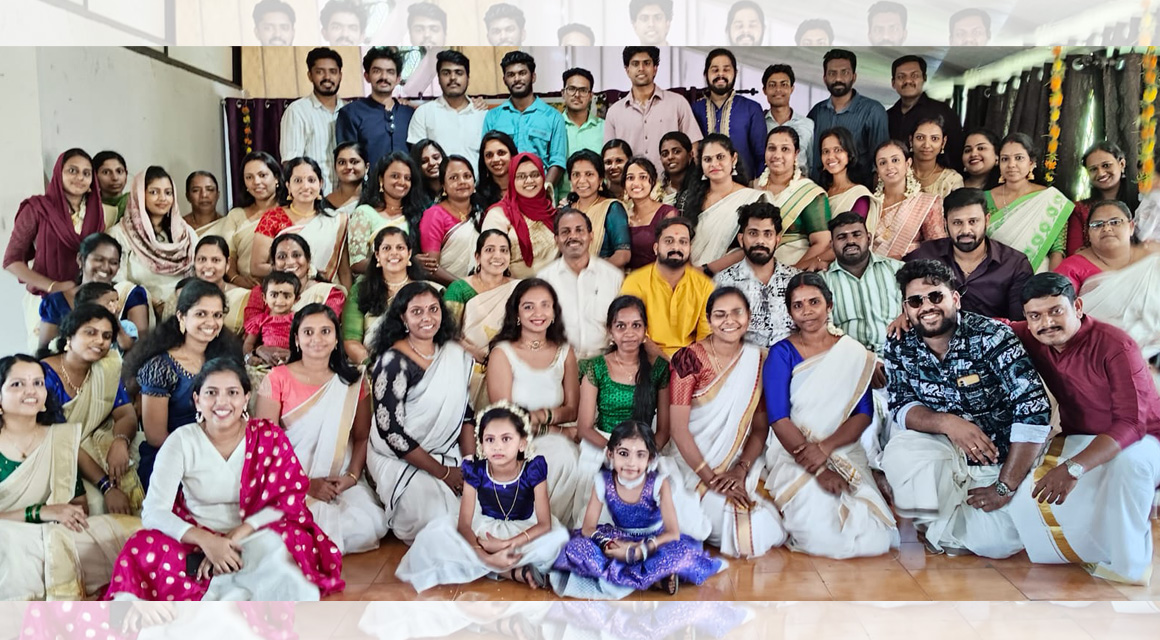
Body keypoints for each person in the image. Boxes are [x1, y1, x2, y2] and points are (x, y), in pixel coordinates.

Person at [105, 357, 344, 601]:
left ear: (246, 398)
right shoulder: (181, 441)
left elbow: (287, 501)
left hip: (253, 536)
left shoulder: (268, 436)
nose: (222, 402)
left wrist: (230, 540)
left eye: (232, 393)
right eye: (211, 393)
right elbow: (154, 512)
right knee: (141, 545)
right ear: (197, 400)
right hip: (194, 539)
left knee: (283, 543)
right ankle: (235, 584)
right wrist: (207, 542)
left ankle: (232, 580)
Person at [880, 260, 1051, 558]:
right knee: (900, 452)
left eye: (936, 296)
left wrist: (1005, 486)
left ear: (955, 299)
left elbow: (1033, 410)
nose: (927, 307)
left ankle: (951, 525)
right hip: (945, 449)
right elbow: (900, 404)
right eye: (916, 301)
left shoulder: (991, 336)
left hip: (997, 457)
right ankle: (939, 521)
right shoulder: (899, 344)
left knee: (998, 544)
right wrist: (948, 423)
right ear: (905, 308)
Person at [1004, 273, 1160, 585]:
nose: (1047, 323)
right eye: (1036, 316)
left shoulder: (1116, 345)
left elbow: (1131, 423)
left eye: (1055, 311)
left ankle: (1130, 566)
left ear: (1077, 307)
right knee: (1027, 499)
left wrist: (1074, 468)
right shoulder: (1031, 336)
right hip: (1079, 435)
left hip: (1144, 439)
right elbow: (987, 325)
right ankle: (1082, 553)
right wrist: (907, 317)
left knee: (1129, 467)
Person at [763, 274, 898, 558]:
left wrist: (825, 448)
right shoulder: (781, 353)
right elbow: (778, 418)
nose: (807, 311)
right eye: (798, 305)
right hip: (794, 451)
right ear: (790, 312)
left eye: (814, 302)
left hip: (842, 448)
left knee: (876, 537)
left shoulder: (852, 352)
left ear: (829, 305)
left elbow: (863, 414)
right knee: (822, 534)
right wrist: (819, 470)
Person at [0, 354, 139, 601]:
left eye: (38, 383)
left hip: (54, 535)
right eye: (17, 384)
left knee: (139, 534)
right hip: (8, 541)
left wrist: (66, 514)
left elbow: (77, 505)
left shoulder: (60, 439)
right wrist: (41, 512)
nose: (30, 390)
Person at [254, 304, 388, 555]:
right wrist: (305, 484)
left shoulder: (353, 381)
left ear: (337, 338)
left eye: (325, 331)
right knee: (284, 531)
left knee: (368, 526)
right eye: (308, 332)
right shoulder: (278, 378)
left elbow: (362, 437)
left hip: (338, 479)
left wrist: (350, 478)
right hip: (289, 480)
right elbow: (266, 446)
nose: (317, 339)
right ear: (296, 339)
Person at [395, 403, 570, 591]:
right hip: (484, 531)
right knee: (432, 539)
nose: (497, 447)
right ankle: (503, 568)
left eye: (506, 439)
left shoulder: (533, 469)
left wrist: (506, 544)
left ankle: (498, 566)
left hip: (523, 532)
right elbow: (464, 524)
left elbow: (544, 524)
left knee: (558, 541)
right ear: (481, 444)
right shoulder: (475, 471)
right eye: (490, 440)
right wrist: (484, 555)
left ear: (522, 443)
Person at [668, 287, 788, 557]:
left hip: (738, 462)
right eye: (720, 314)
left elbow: (760, 426)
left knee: (778, 513)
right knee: (745, 527)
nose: (729, 320)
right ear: (709, 319)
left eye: (737, 313)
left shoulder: (760, 360)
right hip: (692, 466)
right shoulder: (688, 359)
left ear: (748, 317)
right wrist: (711, 479)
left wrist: (740, 471)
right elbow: (678, 429)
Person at [552, 419, 724, 599]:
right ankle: (653, 578)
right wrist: (608, 544)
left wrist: (638, 551)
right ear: (610, 454)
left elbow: (673, 533)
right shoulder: (602, 481)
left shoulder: (659, 483)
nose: (631, 463)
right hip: (618, 537)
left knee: (681, 553)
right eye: (623, 453)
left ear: (650, 458)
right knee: (576, 548)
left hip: (654, 541)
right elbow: (588, 527)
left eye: (640, 455)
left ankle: (632, 574)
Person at [364, 282, 476, 545]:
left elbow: (465, 415)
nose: (427, 317)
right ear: (403, 317)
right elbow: (392, 432)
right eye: (417, 311)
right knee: (434, 517)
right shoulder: (392, 362)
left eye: (433, 309)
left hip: (446, 451)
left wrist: (470, 465)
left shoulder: (453, 354)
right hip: (397, 457)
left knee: (481, 507)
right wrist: (444, 473)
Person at [126, 280, 243, 492]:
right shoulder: (160, 366)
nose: (211, 322)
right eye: (201, 314)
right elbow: (156, 436)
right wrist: (205, 459)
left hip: (223, 452)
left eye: (217, 315)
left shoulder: (225, 359)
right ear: (181, 317)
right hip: (173, 457)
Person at [487, 279, 582, 525]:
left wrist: (541, 416)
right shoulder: (503, 353)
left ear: (554, 312)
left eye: (544, 305)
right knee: (559, 455)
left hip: (559, 440)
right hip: (513, 444)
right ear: (516, 313)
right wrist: (559, 431)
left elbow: (572, 409)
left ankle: (556, 530)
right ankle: (533, 529)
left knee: (581, 459)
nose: (538, 313)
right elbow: (504, 420)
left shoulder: (565, 351)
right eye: (528, 306)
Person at [39, 305, 142, 515]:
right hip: (53, 452)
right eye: (90, 333)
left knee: (139, 453)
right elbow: (60, 439)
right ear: (69, 336)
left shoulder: (106, 368)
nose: (100, 341)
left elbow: (125, 414)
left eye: (106, 336)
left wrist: (120, 441)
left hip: (90, 440)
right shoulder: (43, 376)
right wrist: (107, 487)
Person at [5, 150, 110, 348]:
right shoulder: (37, 208)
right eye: (72, 170)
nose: (80, 177)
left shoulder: (96, 213)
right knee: (47, 357)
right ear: (58, 174)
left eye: (86, 173)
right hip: (44, 298)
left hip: (84, 298)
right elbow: (11, 261)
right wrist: (53, 286)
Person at [905, 188, 1033, 321]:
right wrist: (902, 314)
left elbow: (1020, 324)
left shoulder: (1014, 265)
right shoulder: (924, 256)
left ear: (987, 220)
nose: (966, 230)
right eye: (957, 223)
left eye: (973, 221)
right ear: (945, 224)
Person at [1058, 201, 1160, 363]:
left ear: (1131, 227)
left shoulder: (1152, 261)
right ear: (1088, 233)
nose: (1106, 228)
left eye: (1115, 222)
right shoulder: (1072, 267)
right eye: (1097, 225)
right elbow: (1059, 315)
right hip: (1097, 356)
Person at [242, 234, 347, 368]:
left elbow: (326, 336)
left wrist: (295, 355)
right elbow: (249, 338)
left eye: (296, 255)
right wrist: (259, 350)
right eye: (282, 257)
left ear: (308, 260)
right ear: (273, 264)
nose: (290, 262)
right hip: (264, 363)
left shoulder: (330, 294)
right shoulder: (260, 292)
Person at [442, 230, 519, 410]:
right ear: (477, 257)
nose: (497, 256)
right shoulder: (459, 288)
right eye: (490, 250)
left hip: (510, 363)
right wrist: (478, 354)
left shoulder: (519, 288)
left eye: (503, 250)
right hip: (467, 362)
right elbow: (447, 332)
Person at [37, 233, 150, 353]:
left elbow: (140, 349)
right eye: (99, 260)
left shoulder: (129, 293)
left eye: (113, 262)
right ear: (81, 259)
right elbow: (45, 351)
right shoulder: (57, 301)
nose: (106, 267)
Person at [108, 166, 198, 317]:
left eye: (168, 193)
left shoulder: (185, 233)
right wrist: (154, 303)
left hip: (185, 309)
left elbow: (200, 270)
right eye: (154, 192)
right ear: (139, 195)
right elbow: (118, 281)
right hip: (142, 311)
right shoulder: (120, 234)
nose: (163, 198)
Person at [251, 157, 351, 291]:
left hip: (327, 292)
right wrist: (294, 269)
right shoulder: (273, 218)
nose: (305, 186)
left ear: (320, 184)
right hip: (285, 293)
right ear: (288, 186)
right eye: (298, 181)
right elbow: (256, 267)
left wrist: (346, 298)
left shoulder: (335, 220)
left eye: (311, 180)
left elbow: (344, 271)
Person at [539, 209, 626, 361]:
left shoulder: (613, 277)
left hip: (605, 363)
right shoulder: (544, 279)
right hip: (559, 363)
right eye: (565, 232)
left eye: (579, 230)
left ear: (591, 236)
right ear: (556, 239)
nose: (573, 236)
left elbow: (623, 325)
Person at [621, 217, 714, 356]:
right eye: (669, 241)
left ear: (689, 249)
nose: (676, 248)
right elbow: (634, 334)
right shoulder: (635, 282)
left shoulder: (704, 285)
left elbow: (705, 338)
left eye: (683, 242)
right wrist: (665, 364)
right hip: (646, 357)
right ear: (656, 248)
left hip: (689, 359)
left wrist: (687, 365)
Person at [713, 202, 800, 348]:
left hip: (793, 360)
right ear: (741, 239)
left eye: (768, 234)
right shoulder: (722, 283)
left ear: (777, 240)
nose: (760, 241)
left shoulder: (796, 281)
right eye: (753, 233)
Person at [679, 133, 768, 273]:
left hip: (735, 275)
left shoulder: (751, 198)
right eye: (707, 159)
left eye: (720, 157)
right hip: (690, 275)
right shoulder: (689, 198)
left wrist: (705, 270)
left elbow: (752, 245)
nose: (714, 164)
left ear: (733, 158)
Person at [605, 46, 703, 173]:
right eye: (635, 64)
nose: (641, 68)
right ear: (627, 70)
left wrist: (692, 180)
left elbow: (693, 147)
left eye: (646, 63)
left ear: (655, 68)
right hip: (632, 183)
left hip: (672, 183)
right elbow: (609, 155)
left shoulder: (677, 103)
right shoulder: (614, 112)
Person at [985, 133, 1073, 271]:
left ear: (1031, 163)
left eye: (1019, 158)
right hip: (991, 273)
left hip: (1036, 274)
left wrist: (1051, 282)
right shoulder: (984, 198)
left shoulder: (1051, 199)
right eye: (1005, 159)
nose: (1011, 164)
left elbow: (1057, 250)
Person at [343, 227, 431, 363]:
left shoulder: (425, 291)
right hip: (372, 365)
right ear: (377, 255)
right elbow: (351, 340)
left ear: (409, 253)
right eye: (386, 248)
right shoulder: (361, 291)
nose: (393, 253)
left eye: (400, 248)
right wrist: (372, 365)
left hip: (420, 365)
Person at [483, 51, 568, 188]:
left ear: (533, 77)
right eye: (511, 75)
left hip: (540, 192)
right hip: (503, 193)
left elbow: (557, 161)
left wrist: (543, 191)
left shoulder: (553, 117)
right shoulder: (493, 117)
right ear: (504, 80)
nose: (517, 79)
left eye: (522, 73)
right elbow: (487, 158)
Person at [753, 127, 833, 270]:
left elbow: (822, 243)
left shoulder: (810, 193)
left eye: (785, 149)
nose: (777, 155)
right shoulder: (752, 187)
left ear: (796, 153)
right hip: (753, 269)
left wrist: (791, 272)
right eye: (771, 148)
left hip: (795, 268)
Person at [822, 212, 902, 356]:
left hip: (898, 357)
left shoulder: (896, 270)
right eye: (842, 237)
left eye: (857, 234)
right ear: (832, 245)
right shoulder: (823, 281)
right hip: (849, 360)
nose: (850, 241)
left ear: (869, 238)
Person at [807, 50, 890, 186]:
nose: (838, 79)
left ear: (854, 77)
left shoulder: (873, 111)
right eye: (832, 73)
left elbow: (881, 160)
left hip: (859, 192)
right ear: (824, 78)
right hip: (819, 191)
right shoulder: (817, 112)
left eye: (844, 72)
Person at [481, 153, 559, 278]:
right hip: (512, 286)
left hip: (554, 283)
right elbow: (490, 262)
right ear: (512, 180)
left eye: (535, 175)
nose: (529, 181)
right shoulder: (497, 215)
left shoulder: (551, 211)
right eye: (521, 176)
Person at [693, 49, 767, 179]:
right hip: (705, 186)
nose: (720, 74)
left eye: (726, 69)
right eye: (715, 70)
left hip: (743, 186)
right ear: (705, 75)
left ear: (735, 73)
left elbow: (761, 156)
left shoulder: (751, 109)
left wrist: (759, 185)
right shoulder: (695, 109)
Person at [336, 47, 414, 169]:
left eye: (390, 72)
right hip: (369, 181)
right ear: (367, 76)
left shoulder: (409, 114)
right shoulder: (351, 113)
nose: (384, 77)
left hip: (406, 180)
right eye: (377, 71)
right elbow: (347, 161)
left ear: (398, 78)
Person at [280, 47, 344, 194]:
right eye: (320, 72)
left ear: (340, 75)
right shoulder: (297, 111)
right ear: (310, 75)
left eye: (333, 72)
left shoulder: (350, 111)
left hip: (348, 198)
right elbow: (291, 164)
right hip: (313, 197)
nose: (327, 77)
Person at [348, 151, 425, 274]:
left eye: (407, 178)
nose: (402, 182)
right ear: (381, 179)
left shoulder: (415, 215)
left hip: (409, 280)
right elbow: (357, 263)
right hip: (373, 282)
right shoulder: (364, 213)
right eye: (395, 176)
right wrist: (404, 262)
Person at [870, 140, 946, 260]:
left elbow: (938, 249)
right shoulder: (870, 204)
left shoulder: (925, 203)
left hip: (912, 269)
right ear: (878, 170)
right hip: (874, 269)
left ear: (908, 163)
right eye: (883, 163)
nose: (889, 167)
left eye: (895, 160)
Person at [887, 56, 965, 172]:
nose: (908, 81)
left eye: (914, 76)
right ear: (893, 83)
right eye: (901, 77)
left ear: (924, 78)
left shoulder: (942, 111)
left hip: (936, 178)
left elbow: (956, 150)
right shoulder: (887, 116)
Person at [407, 50, 487, 162]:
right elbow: (418, 159)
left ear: (468, 78)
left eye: (459, 73)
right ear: (438, 79)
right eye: (446, 73)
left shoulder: (482, 114)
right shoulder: (423, 113)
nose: (453, 77)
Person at [222, 151, 284, 290]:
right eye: (249, 177)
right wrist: (237, 279)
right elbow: (227, 257)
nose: (256, 182)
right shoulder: (236, 215)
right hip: (242, 288)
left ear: (276, 178)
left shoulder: (289, 212)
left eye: (262, 175)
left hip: (285, 285)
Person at [420, 155, 484, 285]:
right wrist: (464, 286)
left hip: (483, 285)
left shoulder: (482, 212)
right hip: (446, 289)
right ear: (443, 185)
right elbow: (431, 268)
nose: (462, 182)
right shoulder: (434, 215)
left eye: (467, 176)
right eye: (454, 178)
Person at [1066, 142, 1138, 255]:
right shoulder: (1079, 210)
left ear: (1122, 164)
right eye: (1093, 169)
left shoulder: (1142, 203)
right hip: (1092, 266)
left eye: (1106, 165)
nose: (1101, 173)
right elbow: (1076, 253)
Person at [563, 150, 631, 268]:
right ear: (570, 180)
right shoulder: (565, 211)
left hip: (603, 275)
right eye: (576, 175)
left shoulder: (612, 209)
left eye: (589, 174)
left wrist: (591, 272)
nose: (582, 180)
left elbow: (623, 254)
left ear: (600, 179)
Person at [624, 157, 680, 270]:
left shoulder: (667, 214)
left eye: (643, 177)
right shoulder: (623, 215)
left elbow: (673, 255)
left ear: (653, 181)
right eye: (630, 178)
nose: (636, 183)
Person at [560, 67, 605, 202]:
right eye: (572, 89)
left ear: (591, 96)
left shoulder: (604, 127)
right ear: (563, 93)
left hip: (597, 202)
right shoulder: (554, 128)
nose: (577, 95)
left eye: (583, 90)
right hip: (562, 203)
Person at [191, 235, 250, 336]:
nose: (208, 266)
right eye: (202, 259)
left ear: (227, 264)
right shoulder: (182, 294)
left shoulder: (245, 297)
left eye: (215, 260)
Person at [819, 127, 879, 226]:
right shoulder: (819, 192)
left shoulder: (858, 195)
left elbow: (853, 230)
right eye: (825, 151)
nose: (830, 156)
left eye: (837, 150)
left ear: (849, 154)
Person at [762, 64, 813, 172]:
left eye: (784, 84)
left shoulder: (807, 125)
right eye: (772, 85)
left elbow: (812, 164)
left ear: (792, 89)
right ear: (764, 90)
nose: (778, 89)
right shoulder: (758, 124)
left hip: (801, 181)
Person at [243, 272, 300, 357]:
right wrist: (249, 358)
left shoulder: (299, 320)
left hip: (293, 361)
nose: (280, 301)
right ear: (264, 298)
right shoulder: (259, 320)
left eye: (287, 296)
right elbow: (248, 344)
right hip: (266, 360)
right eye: (274, 295)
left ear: (296, 299)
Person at [73, 283, 138, 353]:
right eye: (110, 302)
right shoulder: (79, 329)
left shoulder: (126, 326)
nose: (117, 306)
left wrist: (115, 321)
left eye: (117, 300)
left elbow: (126, 345)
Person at [909, 117, 963, 197]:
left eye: (934, 138)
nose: (926, 145)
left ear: (943, 142)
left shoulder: (952, 180)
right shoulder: (897, 173)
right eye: (920, 138)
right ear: (911, 140)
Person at [325, 142, 370, 219]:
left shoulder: (375, 201)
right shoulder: (324, 205)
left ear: (366, 167)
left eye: (354, 162)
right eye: (342, 162)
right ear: (335, 168)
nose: (348, 167)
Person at [477, 131, 518, 210]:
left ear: (512, 155)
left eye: (501, 153)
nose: (495, 159)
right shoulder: (478, 196)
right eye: (489, 155)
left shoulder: (525, 188)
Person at [183, 171, 226, 239]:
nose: (204, 195)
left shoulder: (227, 225)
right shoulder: (179, 226)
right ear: (188, 196)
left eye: (210, 189)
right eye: (196, 190)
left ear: (218, 195)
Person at [657, 132, 693, 205]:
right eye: (665, 154)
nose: (670, 157)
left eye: (677, 152)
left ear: (690, 155)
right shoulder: (658, 193)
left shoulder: (702, 188)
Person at [93, 150, 130, 220]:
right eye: (106, 172)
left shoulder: (136, 203)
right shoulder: (87, 208)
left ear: (126, 174)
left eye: (119, 171)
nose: (115, 178)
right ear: (94, 177)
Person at [411, 139, 446, 209]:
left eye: (436, 157)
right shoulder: (413, 198)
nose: (432, 163)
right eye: (424, 161)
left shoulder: (454, 190)